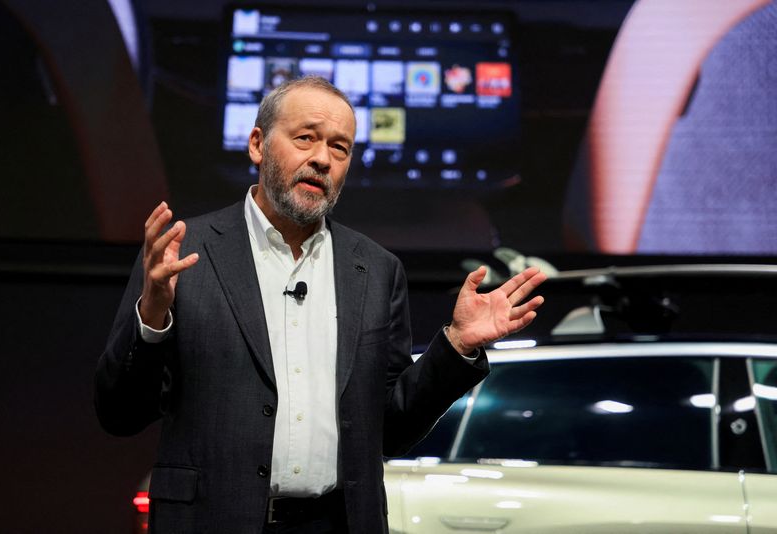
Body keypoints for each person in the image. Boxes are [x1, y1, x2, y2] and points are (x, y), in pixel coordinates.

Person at [95, 76, 546, 533]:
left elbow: (390, 429)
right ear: (257, 144)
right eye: (306, 138)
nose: (321, 159)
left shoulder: (376, 269)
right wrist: (152, 318)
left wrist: (456, 345)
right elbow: (120, 413)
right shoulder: (183, 252)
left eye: (340, 148)